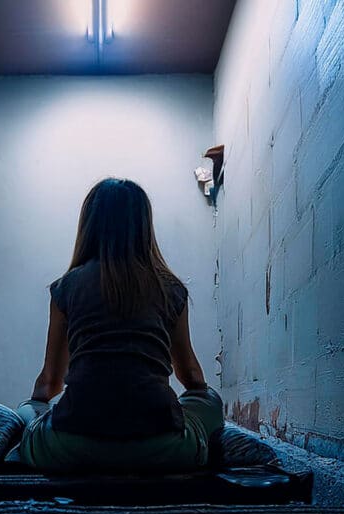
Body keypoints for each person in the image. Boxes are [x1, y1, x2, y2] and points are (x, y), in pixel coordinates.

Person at [16, 178, 224, 472]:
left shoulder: (65, 287)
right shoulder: (171, 289)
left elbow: (50, 383)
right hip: (164, 448)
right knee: (210, 401)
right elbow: (190, 375)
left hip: (70, 446)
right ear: (144, 227)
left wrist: (36, 410)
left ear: (89, 226)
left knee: (27, 411)